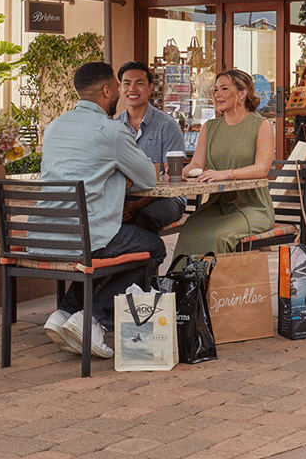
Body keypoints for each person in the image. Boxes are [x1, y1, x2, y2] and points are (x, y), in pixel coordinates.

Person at [40, 61, 165, 360]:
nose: (119, 97)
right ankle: (93, 320)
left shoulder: (54, 127)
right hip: (85, 236)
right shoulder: (111, 131)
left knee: (115, 244)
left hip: (44, 236)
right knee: (152, 248)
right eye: (116, 89)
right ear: (107, 90)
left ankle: (64, 313)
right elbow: (149, 178)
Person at [172, 69, 276, 258]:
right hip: (217, 205)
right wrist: (181, 172)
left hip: (253, 207)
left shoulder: (262, 126)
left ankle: (217, 287)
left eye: (224, 89)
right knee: (189, 231)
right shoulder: (209, 127)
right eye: (215, 90)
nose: (217, 94)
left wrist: (225, 173)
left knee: (220, 236)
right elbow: (196, 162)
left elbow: (262, 169)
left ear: (242, 93)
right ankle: (187, 286)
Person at [114, 61, 187, 235]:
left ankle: (149, 261)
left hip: (166, 197)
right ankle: (120, 261)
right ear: (120, 89)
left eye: (139, 83)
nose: (132, 89)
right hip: (126, 197)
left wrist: (136, 206)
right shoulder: (113, 126)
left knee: (144, 218)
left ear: (150, 88)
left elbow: (172, 179)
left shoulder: (167, 126)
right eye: (127, 83)